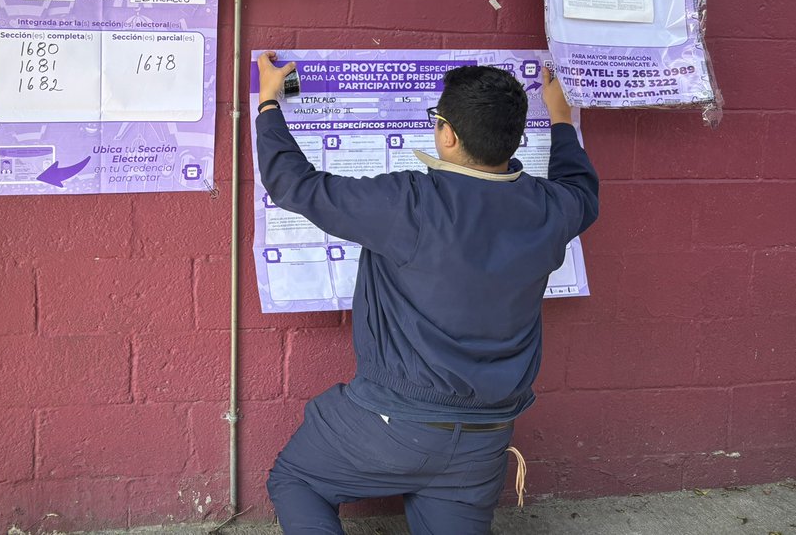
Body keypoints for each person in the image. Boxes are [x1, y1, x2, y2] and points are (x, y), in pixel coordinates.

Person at [255, 52, 598, 535]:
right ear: (516, 138)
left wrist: (269, 102)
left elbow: (293, 183)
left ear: (447, 133)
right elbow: (582, 186)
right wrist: (561, 116)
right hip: (485, 442)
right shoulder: (553, 208)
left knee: (296, 479)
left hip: (388, 423)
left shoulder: (410, 202)